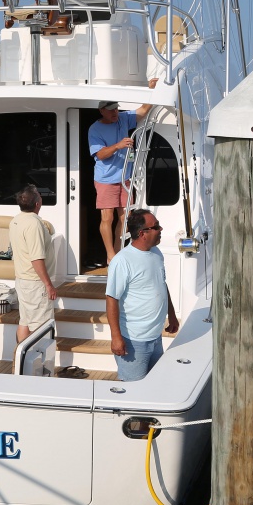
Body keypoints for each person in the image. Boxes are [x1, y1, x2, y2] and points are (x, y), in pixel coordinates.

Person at [104, 208, 179, 381]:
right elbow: (111, 299)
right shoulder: (122, 261)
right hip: (133, 341)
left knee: (154, 385)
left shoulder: (156, 253)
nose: (161, 230)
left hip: (155, 337)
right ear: (142, 233)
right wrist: (116, 337)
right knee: (133, 392)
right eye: (156, 227)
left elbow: (162, 285)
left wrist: (172, 315)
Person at [88, 80, 158, 263]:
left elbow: (143, 110)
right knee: (107, 217)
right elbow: (100, 154)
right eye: (110, 110)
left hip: (125, 178)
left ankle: (119, 252)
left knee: (125, 217)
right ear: (101, 110)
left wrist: (153, 91)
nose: (115, 113)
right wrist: (119, 145)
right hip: (106, 179)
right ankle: (110, 255)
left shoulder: (123, 118)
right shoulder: (94, 129)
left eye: (116, 109)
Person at [10, 184, 58, 345]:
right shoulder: (34, 224)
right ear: (38, 203)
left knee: (24, 322)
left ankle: (20, 365)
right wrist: (48, 284)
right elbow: (36, 258)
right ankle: (36, 368)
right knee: (41, 328)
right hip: (35, 284)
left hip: (22, 280)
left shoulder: (16, 220)